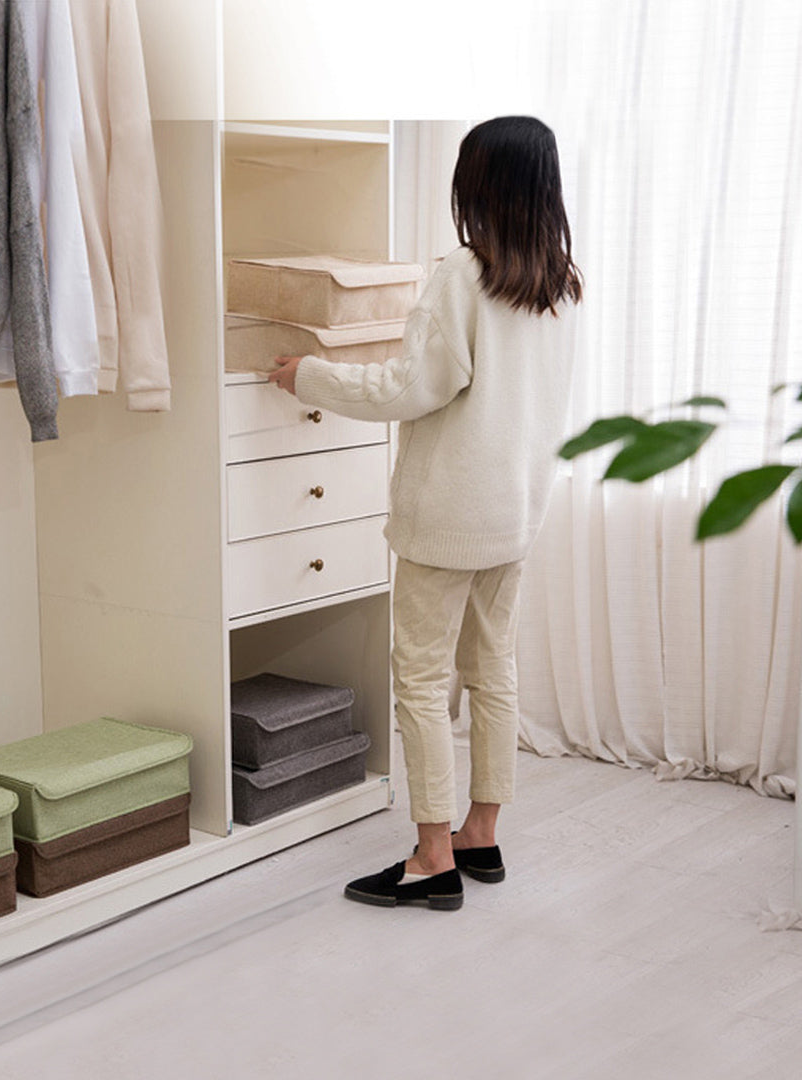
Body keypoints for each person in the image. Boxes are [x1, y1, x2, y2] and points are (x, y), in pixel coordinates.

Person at [269, 116, 582, 911]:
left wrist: (309, 375)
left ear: (477, 185)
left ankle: (431, 857)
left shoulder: (461, 275)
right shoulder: (559, 285)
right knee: (492, 669)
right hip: (515, 513)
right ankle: (482, 832)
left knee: (420, 677)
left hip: (448, 518)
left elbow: (410, 388)